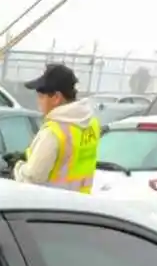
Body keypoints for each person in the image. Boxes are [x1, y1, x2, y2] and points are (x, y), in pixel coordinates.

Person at [12, 62, 101, 193]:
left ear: (56, 98)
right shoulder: (91, 123)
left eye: (41, 97)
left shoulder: (53, 132)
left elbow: (32, 178)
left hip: (51, 206)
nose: (38, 102)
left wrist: (18, 167)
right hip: (82, 206)